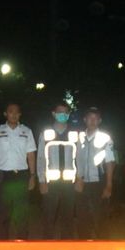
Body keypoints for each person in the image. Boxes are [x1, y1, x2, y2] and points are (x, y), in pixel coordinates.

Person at [0, 103, 36, 239]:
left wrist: (32, 176)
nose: (13, 114)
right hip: (3, 175)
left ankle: (22, 245)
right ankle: (3, 245)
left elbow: (31, 155)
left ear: (20, 115)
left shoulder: (27, 131)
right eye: (10, 112)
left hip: (21, 175)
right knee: (3, 213)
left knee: (22, 214)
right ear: (5, 114)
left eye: (16, 112)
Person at [37, 102, 81, 238]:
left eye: (65, 112)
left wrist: (80, 178)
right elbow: (40, 158)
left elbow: (79, 157)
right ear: (53, 114)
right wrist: (42, 180)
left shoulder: (74, 134)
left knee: (67, 219)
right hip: (51, 183)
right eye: (60, 112)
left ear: (68, 114)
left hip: (70, 182)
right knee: (48, 219)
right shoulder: (46, 133)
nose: (63, 115)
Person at [74, 107, 115, 239]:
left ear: (99, 121)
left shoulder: (105, 138)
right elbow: (73, 159)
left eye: (95, 118)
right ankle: (83, 248)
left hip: (98, 183)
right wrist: (77, 179)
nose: (92, 121)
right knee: (82, 218)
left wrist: (108, 185)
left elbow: (110, 162)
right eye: (90, 118)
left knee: (100, 219)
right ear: (85, 120)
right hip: (82, 183)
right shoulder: (78, 138)